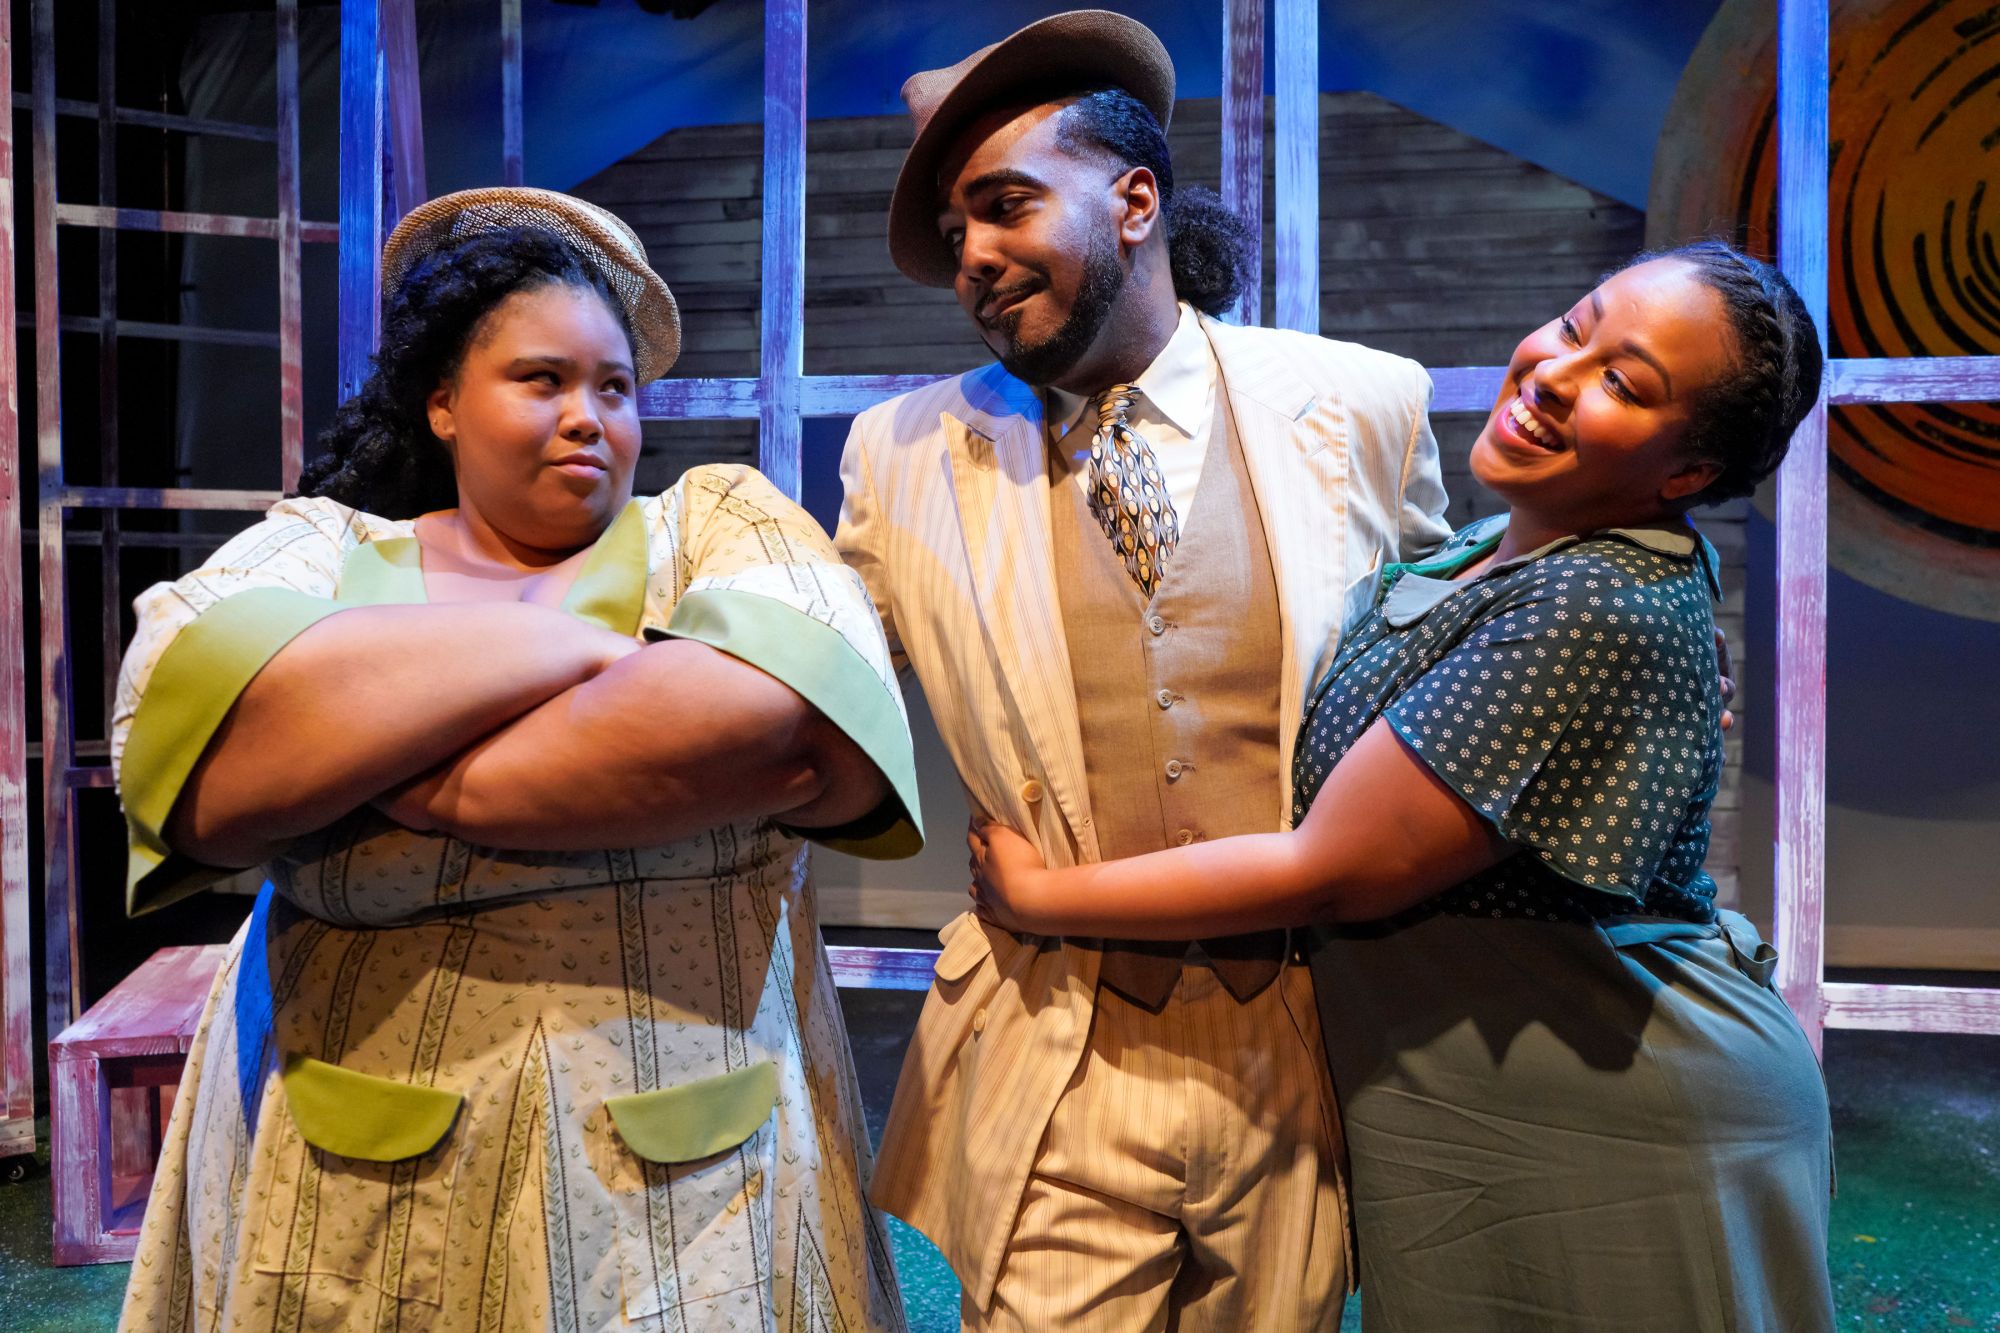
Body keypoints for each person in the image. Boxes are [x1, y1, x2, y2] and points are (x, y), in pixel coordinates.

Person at [969, 241, 1836, 1332]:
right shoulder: (1491, 549)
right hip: (1480, 1090)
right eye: (1578, 326)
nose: (1556, 374)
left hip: (1608, 1118)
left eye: (1624, 384)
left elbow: (1333, 869)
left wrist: (1039, 900)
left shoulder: (1591, 601)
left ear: (1685, 475)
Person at [114, 188, 921, 1332]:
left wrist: (391, 758)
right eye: (541, 379)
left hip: (686, 1187)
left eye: (614, 387)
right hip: (364, 1173)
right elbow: (190, 744)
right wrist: (587, 653)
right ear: (442, 402)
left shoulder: (712, 520)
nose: (589, 415)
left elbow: (788, 719)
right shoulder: (325, 545)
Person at [836, 11, 1452, 1328]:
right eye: (956, 236)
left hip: (1299, 1038)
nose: (977, 262)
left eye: (1006, 208)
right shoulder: (897, 455)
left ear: (1132, 201)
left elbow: (1444, 668)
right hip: (1054, 1039)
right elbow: (819, 690)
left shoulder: (1364, 405)